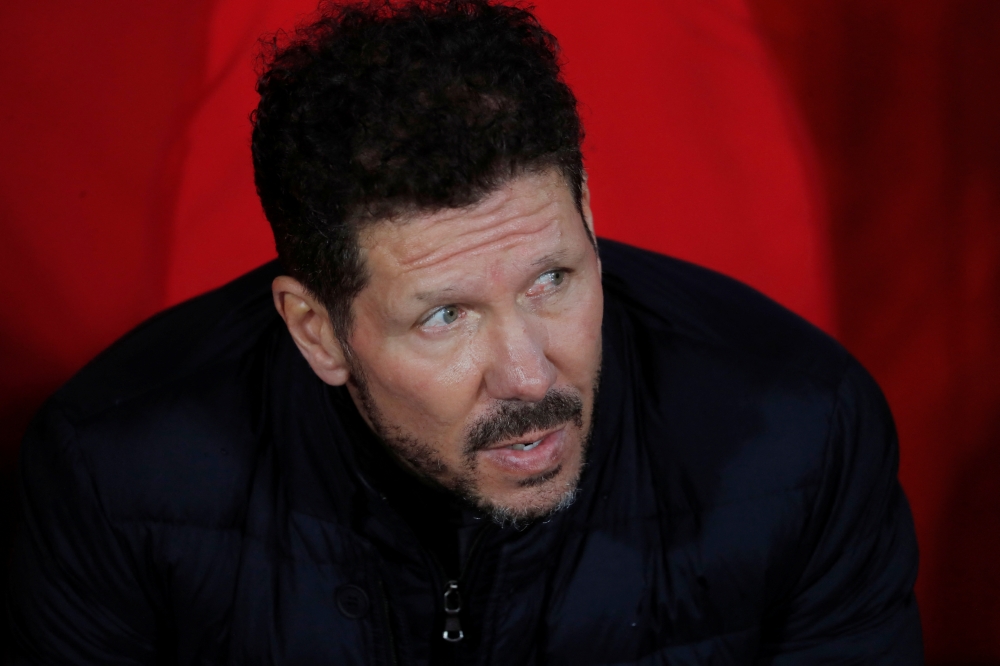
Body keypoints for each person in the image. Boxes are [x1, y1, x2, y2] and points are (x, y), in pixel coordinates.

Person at [7, 0, 922, 663]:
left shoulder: (805, 431)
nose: (530, 376)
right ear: (316, 330)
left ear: (591, 219)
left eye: (553, 279)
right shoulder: (112, 477)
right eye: (446, 316)